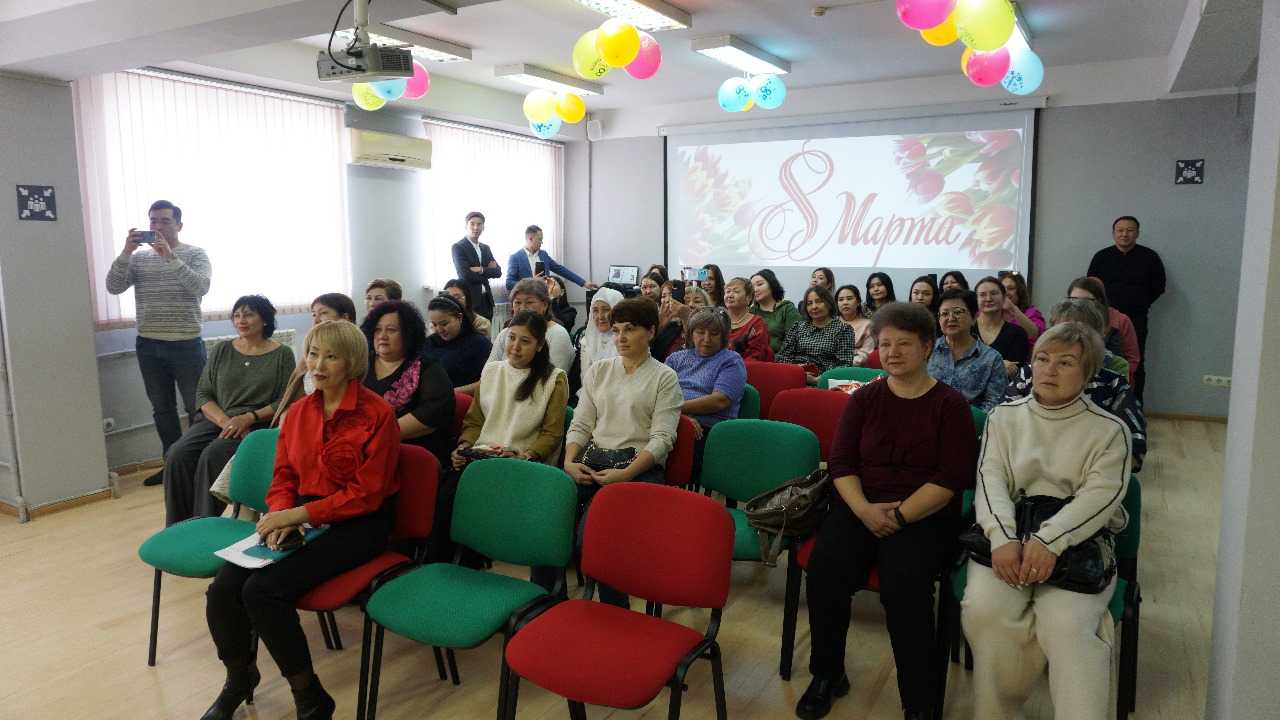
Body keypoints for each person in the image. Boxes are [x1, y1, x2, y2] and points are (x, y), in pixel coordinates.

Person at [201, 319, 399, 720]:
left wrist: (299, 514)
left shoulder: (377, 414)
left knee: (262, 592)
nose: (318, 365)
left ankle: (310, 698)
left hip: (361, 523)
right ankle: (239, 678)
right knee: (223, 589)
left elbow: (367, 494)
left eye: (331, 356)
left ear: (352, 363)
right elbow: (284, 475)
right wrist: (280, 514)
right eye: (312, 354)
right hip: (302, 513)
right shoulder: (298, 413)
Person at [798, 302, 978, 720]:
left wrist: (897, 517)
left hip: (924, 514)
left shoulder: (950, 405)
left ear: (927, 347)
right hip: (861, 505)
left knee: (905, 584)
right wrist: (864, 511)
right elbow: (841, 462)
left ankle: (919, 701)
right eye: (884, 344)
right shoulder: (865, 399)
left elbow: (951, 477)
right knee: (825, 568)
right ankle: (827, 674)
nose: (892, 353)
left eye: (904, 344)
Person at [962, 322, 1132, 720]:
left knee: (1067, 624)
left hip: (1077, 542)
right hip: (1008, 535)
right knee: (985, 610)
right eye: (1042, 359)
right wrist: (1003, 539)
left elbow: (1100, 497)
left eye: (1066, 362)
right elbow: (989, 481)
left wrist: (1049, 541)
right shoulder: (1004, 418)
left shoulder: (1110, 431)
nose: (1049, 370)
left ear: (1088, 374)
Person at [564, 298, 683, 607]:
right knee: (550, 520)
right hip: (594, 461)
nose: (620, 338)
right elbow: (581, 424)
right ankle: (550, 601)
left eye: (630, 330)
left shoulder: (664, 377)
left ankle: (614, 610)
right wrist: (568, 461)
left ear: (651, 332)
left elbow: (662, 439)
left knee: (597, 536)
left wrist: (625, 474)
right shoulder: (600, 371)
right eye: (616, 330)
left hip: (639, 468)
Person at [106, 199, 212, 486]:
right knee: (162, 410)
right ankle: (171, 465)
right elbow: (113, 286)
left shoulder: (195, 254)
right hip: (149, 345)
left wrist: (170, 258)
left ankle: (199, 466)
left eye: (165, 221)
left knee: (198, 409)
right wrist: (126, 252)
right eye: (153, 221)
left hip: (186, 344)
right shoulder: (139, 258)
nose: (158, 226)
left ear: (179, 225)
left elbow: (201, 286)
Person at [164, 295, 293, 526]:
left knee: (212, 455)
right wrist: (225, 421)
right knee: (177, 455)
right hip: (218, 419)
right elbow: (203, 393)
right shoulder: (222, 350)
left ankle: (203, 526)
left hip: (255, 424)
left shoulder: (282, 354)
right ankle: (177, 527)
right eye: (237, 315)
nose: (241, 320)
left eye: (249, 314)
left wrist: (249, 417)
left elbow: (285, 400)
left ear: (265, 319)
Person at [1006, 299, 1147, 472]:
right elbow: (1003, 433)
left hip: (1090, 477)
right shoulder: (1027, 375)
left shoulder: (1114, 385)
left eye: (1078, 334)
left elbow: (1134, 449)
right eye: (1061, 332)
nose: (1068, 340)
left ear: (1098, 338)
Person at [361, 300, 455, 467]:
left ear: (408, 333)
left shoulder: (426, 367)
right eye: (377, 329)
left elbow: (434, 412)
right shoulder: (361, 365)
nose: (382, 336)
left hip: (412, 454)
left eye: (391, 330)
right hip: (362, 448)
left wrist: (376, 437)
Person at [1087, 216, 1166, 400]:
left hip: (1136, 318)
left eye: (1130, 230)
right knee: (1097, 358)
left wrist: (1141, 302)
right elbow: (1091, 287)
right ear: (1113, 233)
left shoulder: (1150, 257)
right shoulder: (1101, 257)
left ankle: (1134, 404)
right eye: (1120, 230)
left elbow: (1159, 287)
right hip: (1103, 318)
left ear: (1137, 233)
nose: (1124, 234)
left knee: (1135, 362)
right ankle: (1100, 401)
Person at [665, 308, 747, 482]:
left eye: (714, 334)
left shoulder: (731, 360)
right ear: (691, 334)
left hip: (708, 430)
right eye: (700, 332)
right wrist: (681, 416)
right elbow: (658, 394)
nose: (707, 339)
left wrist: (677, 410)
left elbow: (719, 400)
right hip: (673, 420)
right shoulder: (675, 358)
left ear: (723, 337)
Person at [927, 289, 1007, 412]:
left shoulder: (992, 359)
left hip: (972, 421)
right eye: (944, 313)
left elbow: (994, 405)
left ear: (974, 317)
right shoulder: (926, 351)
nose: (951, 318)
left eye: (958, 312)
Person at [488, 278, 575, 371]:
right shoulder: (505, 333)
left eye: (529, 302)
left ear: (545, 305)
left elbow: (553, 377)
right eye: (517, 302)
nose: (522, 308)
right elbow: (489, 371)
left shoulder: (557, 334)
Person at [1068, 276, 1141, 383]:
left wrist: (1119, 377)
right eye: (1074, 300)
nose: (1079, 305)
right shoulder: (1064, 319)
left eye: (1085, 301)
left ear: (1099, 301)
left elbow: (1132, 358)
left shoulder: (1120, 320)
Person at [778, 286, 856, 384]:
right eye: (809, 303)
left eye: (819, 301)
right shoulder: (798, 327)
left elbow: (844, 365)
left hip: (826, 380)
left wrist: (818, 380)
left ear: (829, 303)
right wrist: (797, 373)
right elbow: (783, 357)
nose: (814, 307)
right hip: (794, 376)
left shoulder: (843, 330)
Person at [292, 293, 358, 396]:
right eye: (314, 315)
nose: (316, 320)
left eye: (323, 313)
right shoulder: (311, 348)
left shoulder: (356, 352)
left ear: (345, 318)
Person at [423, 295, 492, 392]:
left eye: (444, 324)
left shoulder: (480, 344)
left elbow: (489, 381)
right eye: (434, 324)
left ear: (459, 318)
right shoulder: (429, 343)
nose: (439, 329)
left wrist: (452, 393)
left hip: (464, 398)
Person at [504, 224, 598, 293]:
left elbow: (561, 270)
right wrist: (531, 282)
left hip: (545, 300)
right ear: (530, 239)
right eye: (539, 239)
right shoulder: (515, 258)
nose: (541, 242)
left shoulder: (543, 255)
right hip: (527, 302)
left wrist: (584, 283)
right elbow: (509, 283)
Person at [974, 276, 1030, 376]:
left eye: (994, 293)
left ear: (1004, 298)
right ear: (976, 300)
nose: (988, 299)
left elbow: (1016, 371)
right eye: (982, 295)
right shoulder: (965, 330)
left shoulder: (1018, 334)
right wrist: (998, 365)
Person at [451, 211, 502, 320]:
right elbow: (465, 275)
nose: (476, 227)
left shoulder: (485, 248)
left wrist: (481, 269)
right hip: (470, 300)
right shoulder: (458, 247)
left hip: (487, 300)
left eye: (479, 224)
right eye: (472, 224)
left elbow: (498, 272)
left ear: (483, 227)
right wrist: (488, 271)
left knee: (488, 330)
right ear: (466, 226)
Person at [750, 268, 801, 354]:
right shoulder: (751, 312)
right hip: (754, 357)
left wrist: (776, 358)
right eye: (752, 287)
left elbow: (794, 341)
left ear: (772, 285)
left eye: (760, 284)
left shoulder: (787, 308)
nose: (755, 289)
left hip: (782, 358)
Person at [723, 277, 774, 361]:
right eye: (728, 291)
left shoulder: (757, 323)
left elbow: (754, 357)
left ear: (748, 297)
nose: (730, 295)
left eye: (736, 291)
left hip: (747, 367)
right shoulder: (718, 319)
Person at [580, 287, 624, 374]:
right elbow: (585, 378)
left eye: (606, 310)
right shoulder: (587, 341)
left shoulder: (627, 342)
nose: (600, 316)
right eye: (595, 311)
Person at [998, 270, 1045, 346]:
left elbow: (1035, 335)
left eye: (1011, 288)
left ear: (1020, 291)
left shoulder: (1032, 312)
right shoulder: (992, 312)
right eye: (1002, 289)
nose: (1005, 292)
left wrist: (1012, 308)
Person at [835, 285, 874, 366]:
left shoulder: (868, 325)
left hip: (856, 367)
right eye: (841, 300)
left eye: (849, 299)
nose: (845, 303)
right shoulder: (831, 323)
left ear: (858, 302)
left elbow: (866, 353)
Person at [651, 281, 690, 362]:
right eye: (663, 296)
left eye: (672, 295)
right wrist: (659, 326)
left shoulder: (688, 321)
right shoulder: (658, 320)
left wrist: (686, 318)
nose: (667, 300)